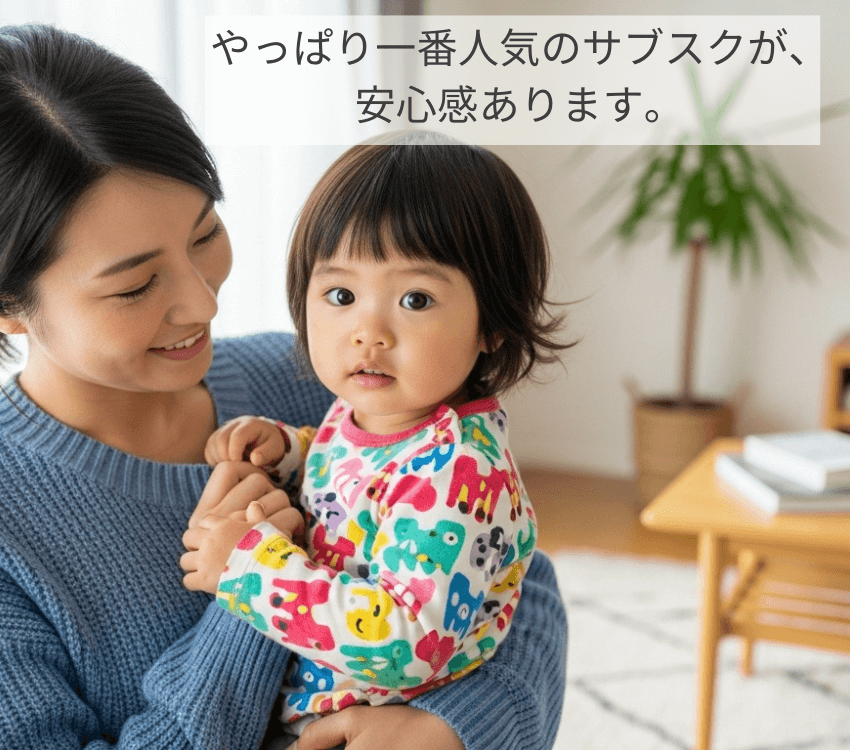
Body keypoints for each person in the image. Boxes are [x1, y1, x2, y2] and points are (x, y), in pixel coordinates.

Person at [0, 23, 566, 750]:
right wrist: (252, 591)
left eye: (205, 234)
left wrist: (456, 728)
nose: (204, 305)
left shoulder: (315, 384)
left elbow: (517, 581)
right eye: (137, 285)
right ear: (11, 307)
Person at [181, 139, 571, 745]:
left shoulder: (461, 472)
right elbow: (362, 484)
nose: (369, 332)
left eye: (415, 299)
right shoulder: (367, 411)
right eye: (340, 295)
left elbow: (405, 643)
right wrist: (290, 450)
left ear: (492, 321)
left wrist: (248, 570)